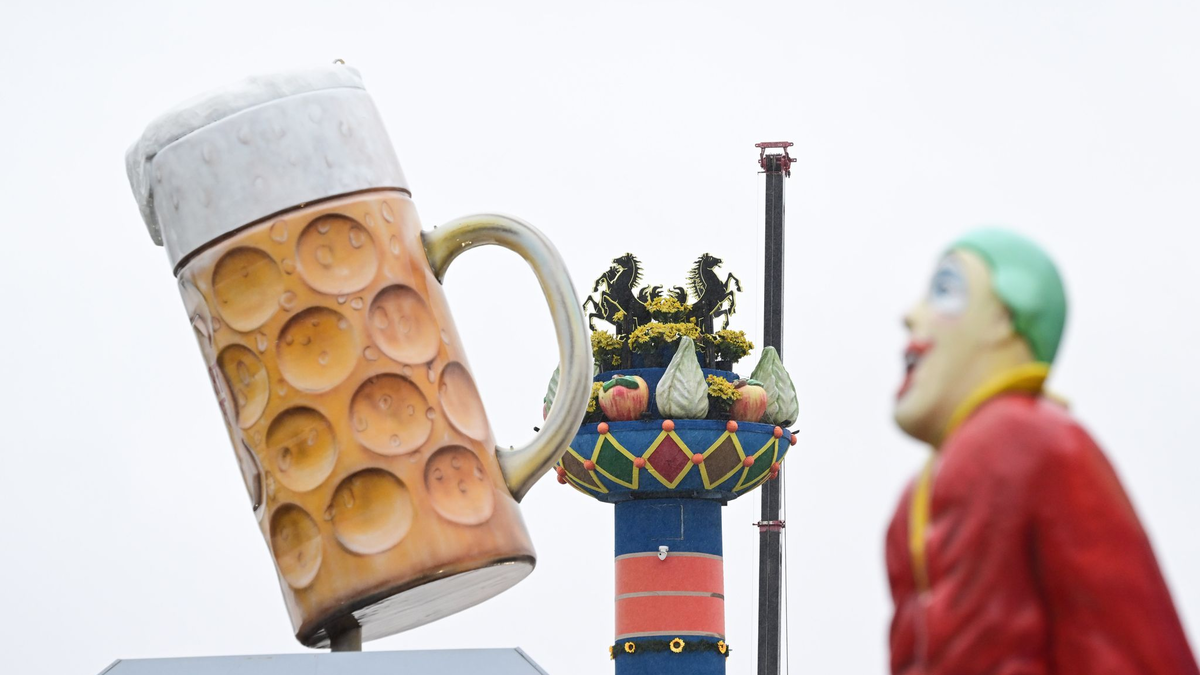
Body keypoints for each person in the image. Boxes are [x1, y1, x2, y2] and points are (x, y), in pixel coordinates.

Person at [887, 228, 1198, 674]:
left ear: (1006, 316)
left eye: (945, 291)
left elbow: (1131, 648)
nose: (912, 316)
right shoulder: (912, 504)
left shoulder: (1041, 445)